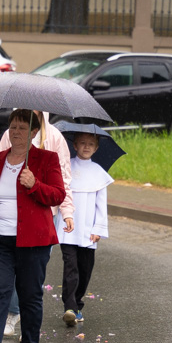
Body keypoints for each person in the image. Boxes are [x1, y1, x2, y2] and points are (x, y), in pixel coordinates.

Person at [0, 109, 66, 343]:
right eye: (12, 127)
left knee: (30, 293)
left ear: (34, 133)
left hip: (33, 241)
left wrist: (34, 184)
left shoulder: (47, 159)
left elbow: (57, 195)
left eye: (22, 128)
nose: (15, 132)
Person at [0, 110, 74, 338]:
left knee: (32, 274)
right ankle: (12, 313)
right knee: (10, 268)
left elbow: (64, 179)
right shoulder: (8, 135)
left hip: (44, 216)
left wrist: (67, 211)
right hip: (13, 216)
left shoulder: (55, 138)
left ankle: (29, 323)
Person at [56, 132, 113, 326]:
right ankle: (69, 307)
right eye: (82, 143)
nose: (86, 147)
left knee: (85, 269)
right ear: (74, 145)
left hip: (89, 230)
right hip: (67, 228)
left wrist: (98, 228)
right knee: (70, 267)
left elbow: (101, 205)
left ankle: (78, 304)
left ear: (96, 148)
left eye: (90, 144)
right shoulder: (66, 167)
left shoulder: (99, 173)